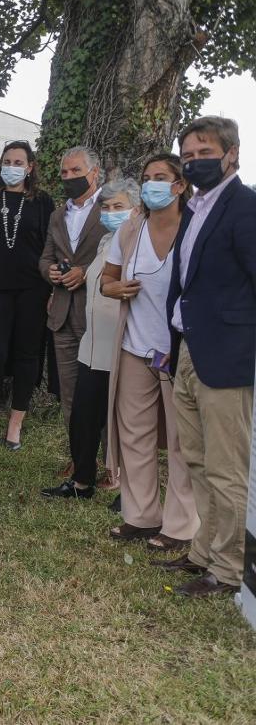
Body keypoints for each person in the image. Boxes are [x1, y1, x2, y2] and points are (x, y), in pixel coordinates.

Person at [159, 116, 256, 598]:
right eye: (189, 155)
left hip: (226, 357)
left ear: (231, 153)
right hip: (189, 351)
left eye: (204, 152)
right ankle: (203, 552)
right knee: (194, 458)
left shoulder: (244, 208)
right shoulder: (194, 209)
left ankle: (228, 568)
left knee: (225, 468)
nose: (195, 161)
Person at [90, 161, 198, 551]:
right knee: (135, 435)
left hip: (179, 351)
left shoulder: (194, 227)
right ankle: (141, 516)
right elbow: (107, 279)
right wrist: (115, 289)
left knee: (184, 439)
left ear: (180, 185)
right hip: (135, 348)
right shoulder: (132, 228)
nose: (152, 185)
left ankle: (181, 525)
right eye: (148, 179)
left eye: (160, 179)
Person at [41, 179, 133, 500]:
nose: (110, 213)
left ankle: (130, 492)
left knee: (126, 423)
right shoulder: (108, 240)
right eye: (105, 207)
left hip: (121, 348)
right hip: (92, 347)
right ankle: (82, 482)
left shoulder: (137, 244)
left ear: (135, 209)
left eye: (118, 207)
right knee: (82, 417)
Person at [0, 141, 56, 451]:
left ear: (30, 167)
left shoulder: (43, 202)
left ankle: (15, 423)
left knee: (27, 356)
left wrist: (51, 289)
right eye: (7, 160)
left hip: (33, 290)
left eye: (19, 161)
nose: (12, 166)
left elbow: (51, 248)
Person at [39, 146, 107, 428]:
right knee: (70, 393)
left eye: (76, 171)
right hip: (63, 316)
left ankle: (108, 464)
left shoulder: (114, 207)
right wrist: (50, 272)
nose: (69, 177)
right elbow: (45, 257)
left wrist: (87, 273)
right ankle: (79, 460)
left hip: (100, 315)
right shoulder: (58, 216)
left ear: (95, 173)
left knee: (102, 393)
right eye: (64, 172)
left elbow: (126, 256)